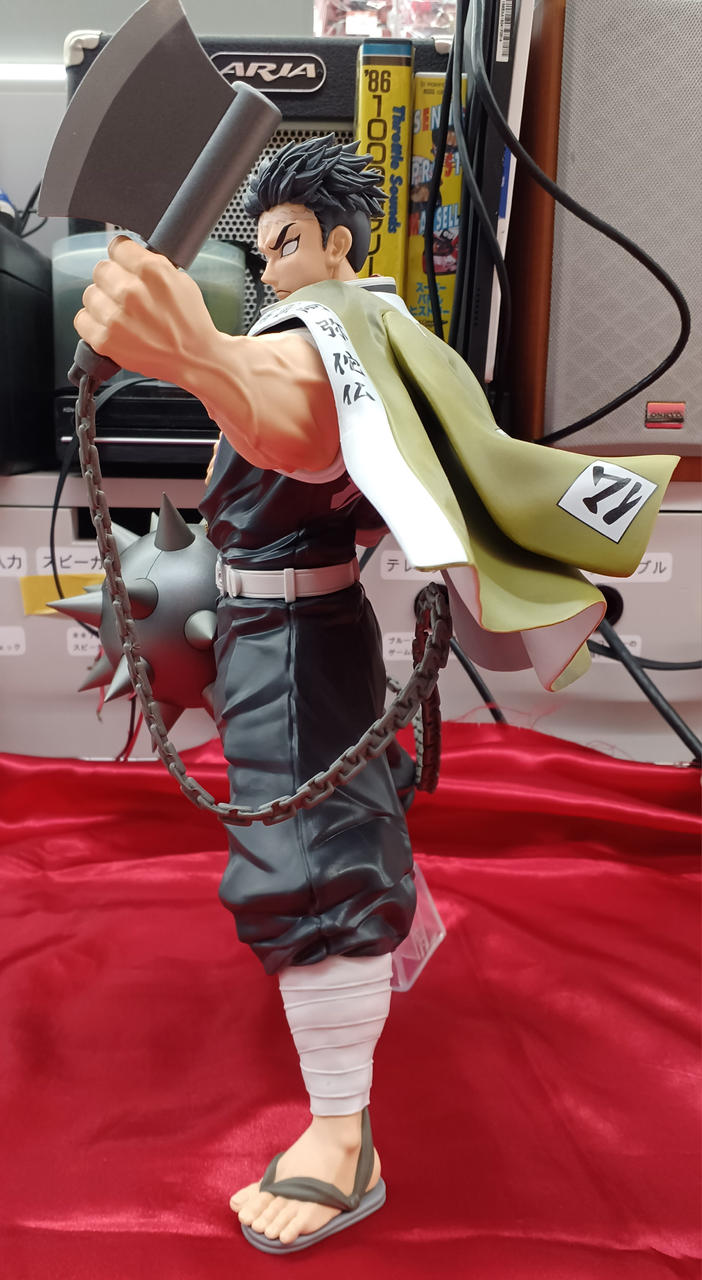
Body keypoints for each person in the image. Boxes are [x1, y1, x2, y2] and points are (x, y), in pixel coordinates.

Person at [74, 134, 676, 1253]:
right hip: (306, 619)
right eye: (266, 250)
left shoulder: (326, 338)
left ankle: (340, 1139)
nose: (274, 267)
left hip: (289, 636)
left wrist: (197, 352)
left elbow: (297, 417)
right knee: (345, 809)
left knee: (307, 858)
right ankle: (380, 952)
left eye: (289, 242)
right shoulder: (376, 326)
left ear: (340, 243)